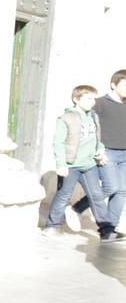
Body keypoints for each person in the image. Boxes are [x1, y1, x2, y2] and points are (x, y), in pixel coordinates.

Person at [44, 84, 117, 241]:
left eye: (94, 98)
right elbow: (58, 143)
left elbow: (97, 138)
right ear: (76, 99)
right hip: (71, 166)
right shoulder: (66, 118)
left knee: (97, 196)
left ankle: (106, 231)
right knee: (64, 195)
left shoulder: (93, 116)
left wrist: (100, 151)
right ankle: (52, 226)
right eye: (88, 98)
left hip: (89, 165)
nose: (93, 102)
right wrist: (61, 164)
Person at [71, 70, 126, 240]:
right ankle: (76, 209)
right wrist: (96, 150)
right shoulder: (99, 103)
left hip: (124, 154)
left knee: (122, 191)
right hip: (106, 152)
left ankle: (108, 230)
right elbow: (87, 125)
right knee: (111, 187)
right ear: (113, 84)